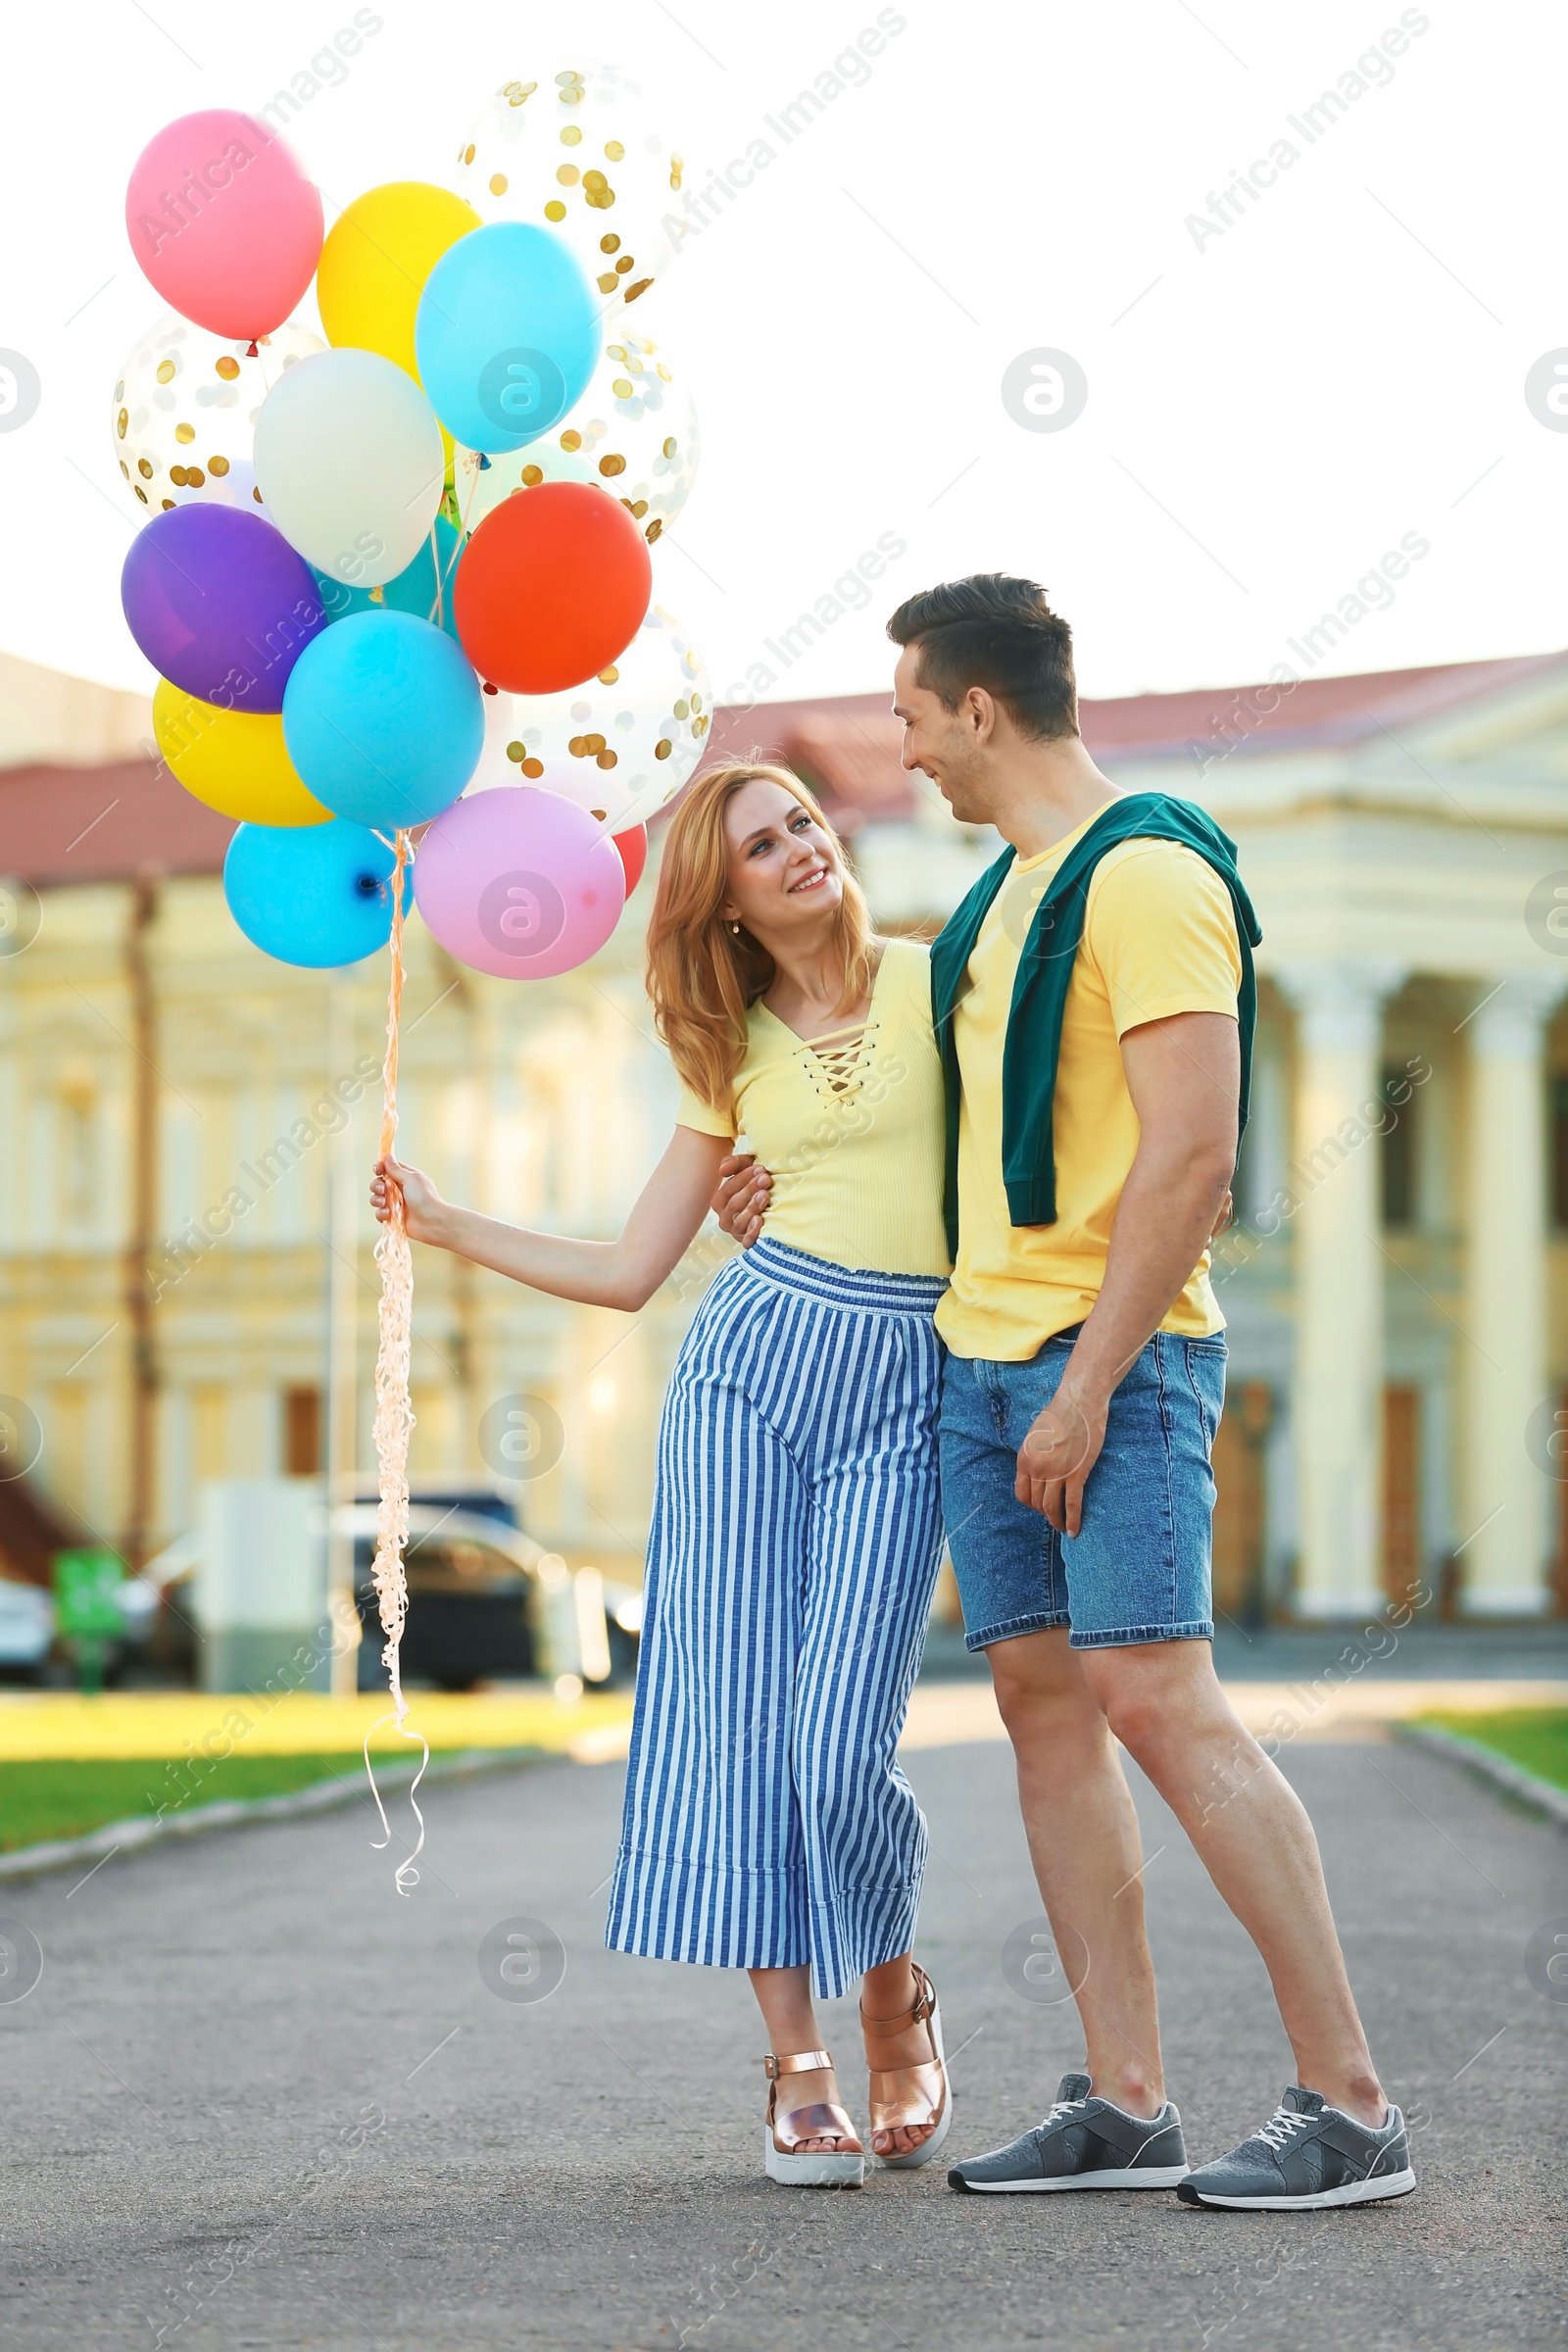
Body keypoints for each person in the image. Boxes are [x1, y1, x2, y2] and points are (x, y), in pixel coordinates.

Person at [718, 575, 1415, 2213]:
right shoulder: (1001, 897)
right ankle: (1128, 2099)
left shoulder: (1152, 871)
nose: (899, 749)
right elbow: (924, 1132)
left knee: (1159, 1699)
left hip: (1114, 1360)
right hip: (980, 1356)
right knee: (1044, 1705)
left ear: (976, 709)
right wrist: (781, 1199)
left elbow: (1194, 1152)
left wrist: (1088, 1382)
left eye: (906, 713)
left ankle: (1352, 2102)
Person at [371, 760, 956, 2188]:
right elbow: (634, 1269)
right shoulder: (732, 1050)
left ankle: (894, 1988)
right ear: (731, 904)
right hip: (746, 1378)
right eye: (763, 846)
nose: (800, 849)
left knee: (840, 1741)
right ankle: (796, 2055)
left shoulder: (951, 980)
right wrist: (451, 1228)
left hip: (908, 1384)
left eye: (805, 824)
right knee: (734, 1723)